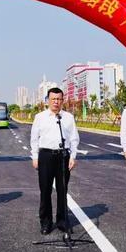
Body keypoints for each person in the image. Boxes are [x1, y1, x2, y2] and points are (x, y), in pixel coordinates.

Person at [30, 87, 79, 235]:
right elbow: (34, 139)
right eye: (53, 99)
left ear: (62, 100)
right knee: (45, 190)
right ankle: (46, 222)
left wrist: (73, 156)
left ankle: (62, 221)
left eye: (59, 99)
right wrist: (35, 157)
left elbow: (74, 138)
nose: (56, 102)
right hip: (45, 156)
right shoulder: (40, 117)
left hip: (63, 156)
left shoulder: (68, 117)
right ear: (48, 100)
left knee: (62, 190)